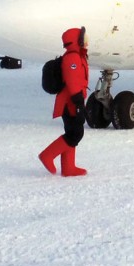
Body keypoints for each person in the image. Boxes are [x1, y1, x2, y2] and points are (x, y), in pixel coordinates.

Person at [38, 27, 90, 176]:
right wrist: (79, 104)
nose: (87, 41)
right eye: (84, 38)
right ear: (77, 40)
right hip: (70, 102)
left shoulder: (77, 55)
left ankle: (68, 167)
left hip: (74, 100)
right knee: (75, 134)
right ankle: (47, 155)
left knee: (72, 132)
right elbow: (73, 82)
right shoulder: (72, 57)